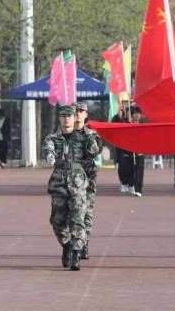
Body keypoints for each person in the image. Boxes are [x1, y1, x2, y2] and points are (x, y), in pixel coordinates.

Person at [43, 104, 99, 271]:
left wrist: (90, 137)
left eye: (69, 116)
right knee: (57, 222)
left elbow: (94, 152)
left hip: (78, 184)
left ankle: (76, 253)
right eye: (63, 116)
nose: (66, 119)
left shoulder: (84, 136)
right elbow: (48, 149)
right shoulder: (52, 138)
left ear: (75, 118)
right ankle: (66, 245)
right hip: (59, 184)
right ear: (59, 118)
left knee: (78, 219)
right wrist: (50, 156)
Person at [73, 101, 103, 260]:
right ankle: (74, 242)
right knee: (73, 211)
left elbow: (95, 152)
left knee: (87, 211)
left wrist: (90, 135)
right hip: (71, 177)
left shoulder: (92, 133)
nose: (78, 113)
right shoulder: (66, 132)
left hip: (89, 175)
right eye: (76, 111)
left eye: (81, 111)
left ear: (86, 114)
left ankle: (85, 243)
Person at [111, 100, 131, 192]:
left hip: (131, 146)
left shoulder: (133, 115)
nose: (125, 106)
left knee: (131, 166)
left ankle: (131, 183)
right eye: (123, 104)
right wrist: (119, 118)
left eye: (127, 103)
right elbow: (111, 126)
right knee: (122, 165)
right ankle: (123, 183)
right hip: (121, 145)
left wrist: (130, 120)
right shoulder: (117, 117)